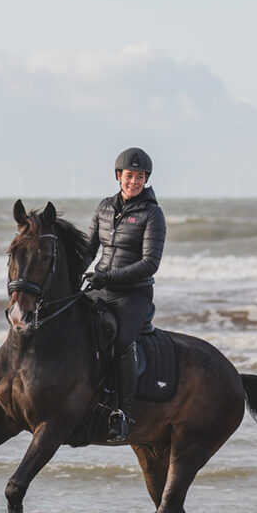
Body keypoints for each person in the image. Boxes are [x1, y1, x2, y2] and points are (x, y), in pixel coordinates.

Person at [83, 148, 166, 441]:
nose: (134, 181)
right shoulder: (104, 207)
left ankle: (123, 412)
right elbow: (88, 249)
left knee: (120, 342)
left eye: (140, 177)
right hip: (101, 287)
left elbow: (149, 263)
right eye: (129, 176)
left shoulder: (152, 213)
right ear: (119, 176)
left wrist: (109, 276)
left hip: (133, 295)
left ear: (146, 179)